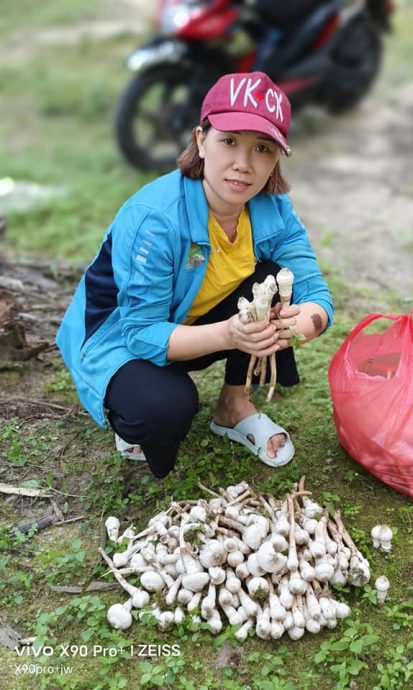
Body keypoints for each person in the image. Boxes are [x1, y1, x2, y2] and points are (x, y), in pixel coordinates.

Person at [56, 71, 333, 479]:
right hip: (118, 335)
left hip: (191, 321)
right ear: (201, 139)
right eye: (229, 141)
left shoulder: (273, 208)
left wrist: (302, 323)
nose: (243, 164)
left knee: (277, 282)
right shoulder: (155, 218)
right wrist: (231, 334)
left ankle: (233, 407)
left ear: (277, 156)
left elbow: (314, 289)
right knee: (164, 408)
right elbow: (139, 331)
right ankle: (126, 408)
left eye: (262, 147)